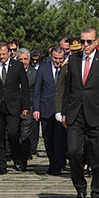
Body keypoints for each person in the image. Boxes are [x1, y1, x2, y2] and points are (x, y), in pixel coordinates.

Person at [62, 28, 99, 198]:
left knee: (98, 156)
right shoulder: (73, 59)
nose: (85, 45)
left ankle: (96, 192)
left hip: (97, 113)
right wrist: (64, 112)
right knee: (73, 151)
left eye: (88, 41)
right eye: (82, 41)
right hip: (75, 114)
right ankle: (80, 188)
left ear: (95, 42)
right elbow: (67, 88)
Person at [0, 42, 30, 175]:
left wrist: (25, 106)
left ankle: (16, 157)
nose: (1, 57)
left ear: (9, 53)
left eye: (4, 54)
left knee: (12, 133)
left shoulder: (17, 66)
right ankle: (1, 165)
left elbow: (25, 86)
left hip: (13, 106)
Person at [33, 46, 67, 176]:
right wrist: (36, 108)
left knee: (60, 139)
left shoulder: (66, 68)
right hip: (46, 108)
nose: (58, 61)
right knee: (48, 139)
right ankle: (53, 161)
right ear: (50, 57)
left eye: (60, 58)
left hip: (61, 110)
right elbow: (37, 90)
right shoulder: (43, 68)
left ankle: (56, 166)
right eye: (55, 58)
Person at [17, 48, 37, 171]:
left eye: (25, 59)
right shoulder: (13, 71)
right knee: (13, 134)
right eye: (21, 59)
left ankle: (23, 161)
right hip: (14, 107)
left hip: (28, 108)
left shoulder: (35, 73)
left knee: (25, 135)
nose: (23, 62)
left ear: (29, 60)